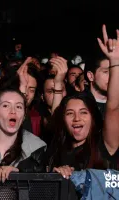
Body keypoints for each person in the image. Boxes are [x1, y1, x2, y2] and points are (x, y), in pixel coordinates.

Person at [47, 24, 119, 179]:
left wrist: (115, 61)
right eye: (70, 113)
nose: (77, 118)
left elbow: (113, 108)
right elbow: (57, 121)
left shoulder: (103, 147)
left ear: (94, 117)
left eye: (84, 113)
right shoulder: (58, 151)